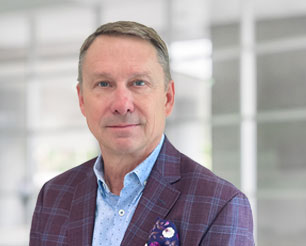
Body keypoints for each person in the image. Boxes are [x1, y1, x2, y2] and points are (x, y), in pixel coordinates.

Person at [29, 21, 254, 246]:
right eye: (104, 84)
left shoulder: (220, 206)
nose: (121, 104)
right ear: (81, 100)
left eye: (138, 83)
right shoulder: (54, 196)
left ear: (167, 98)